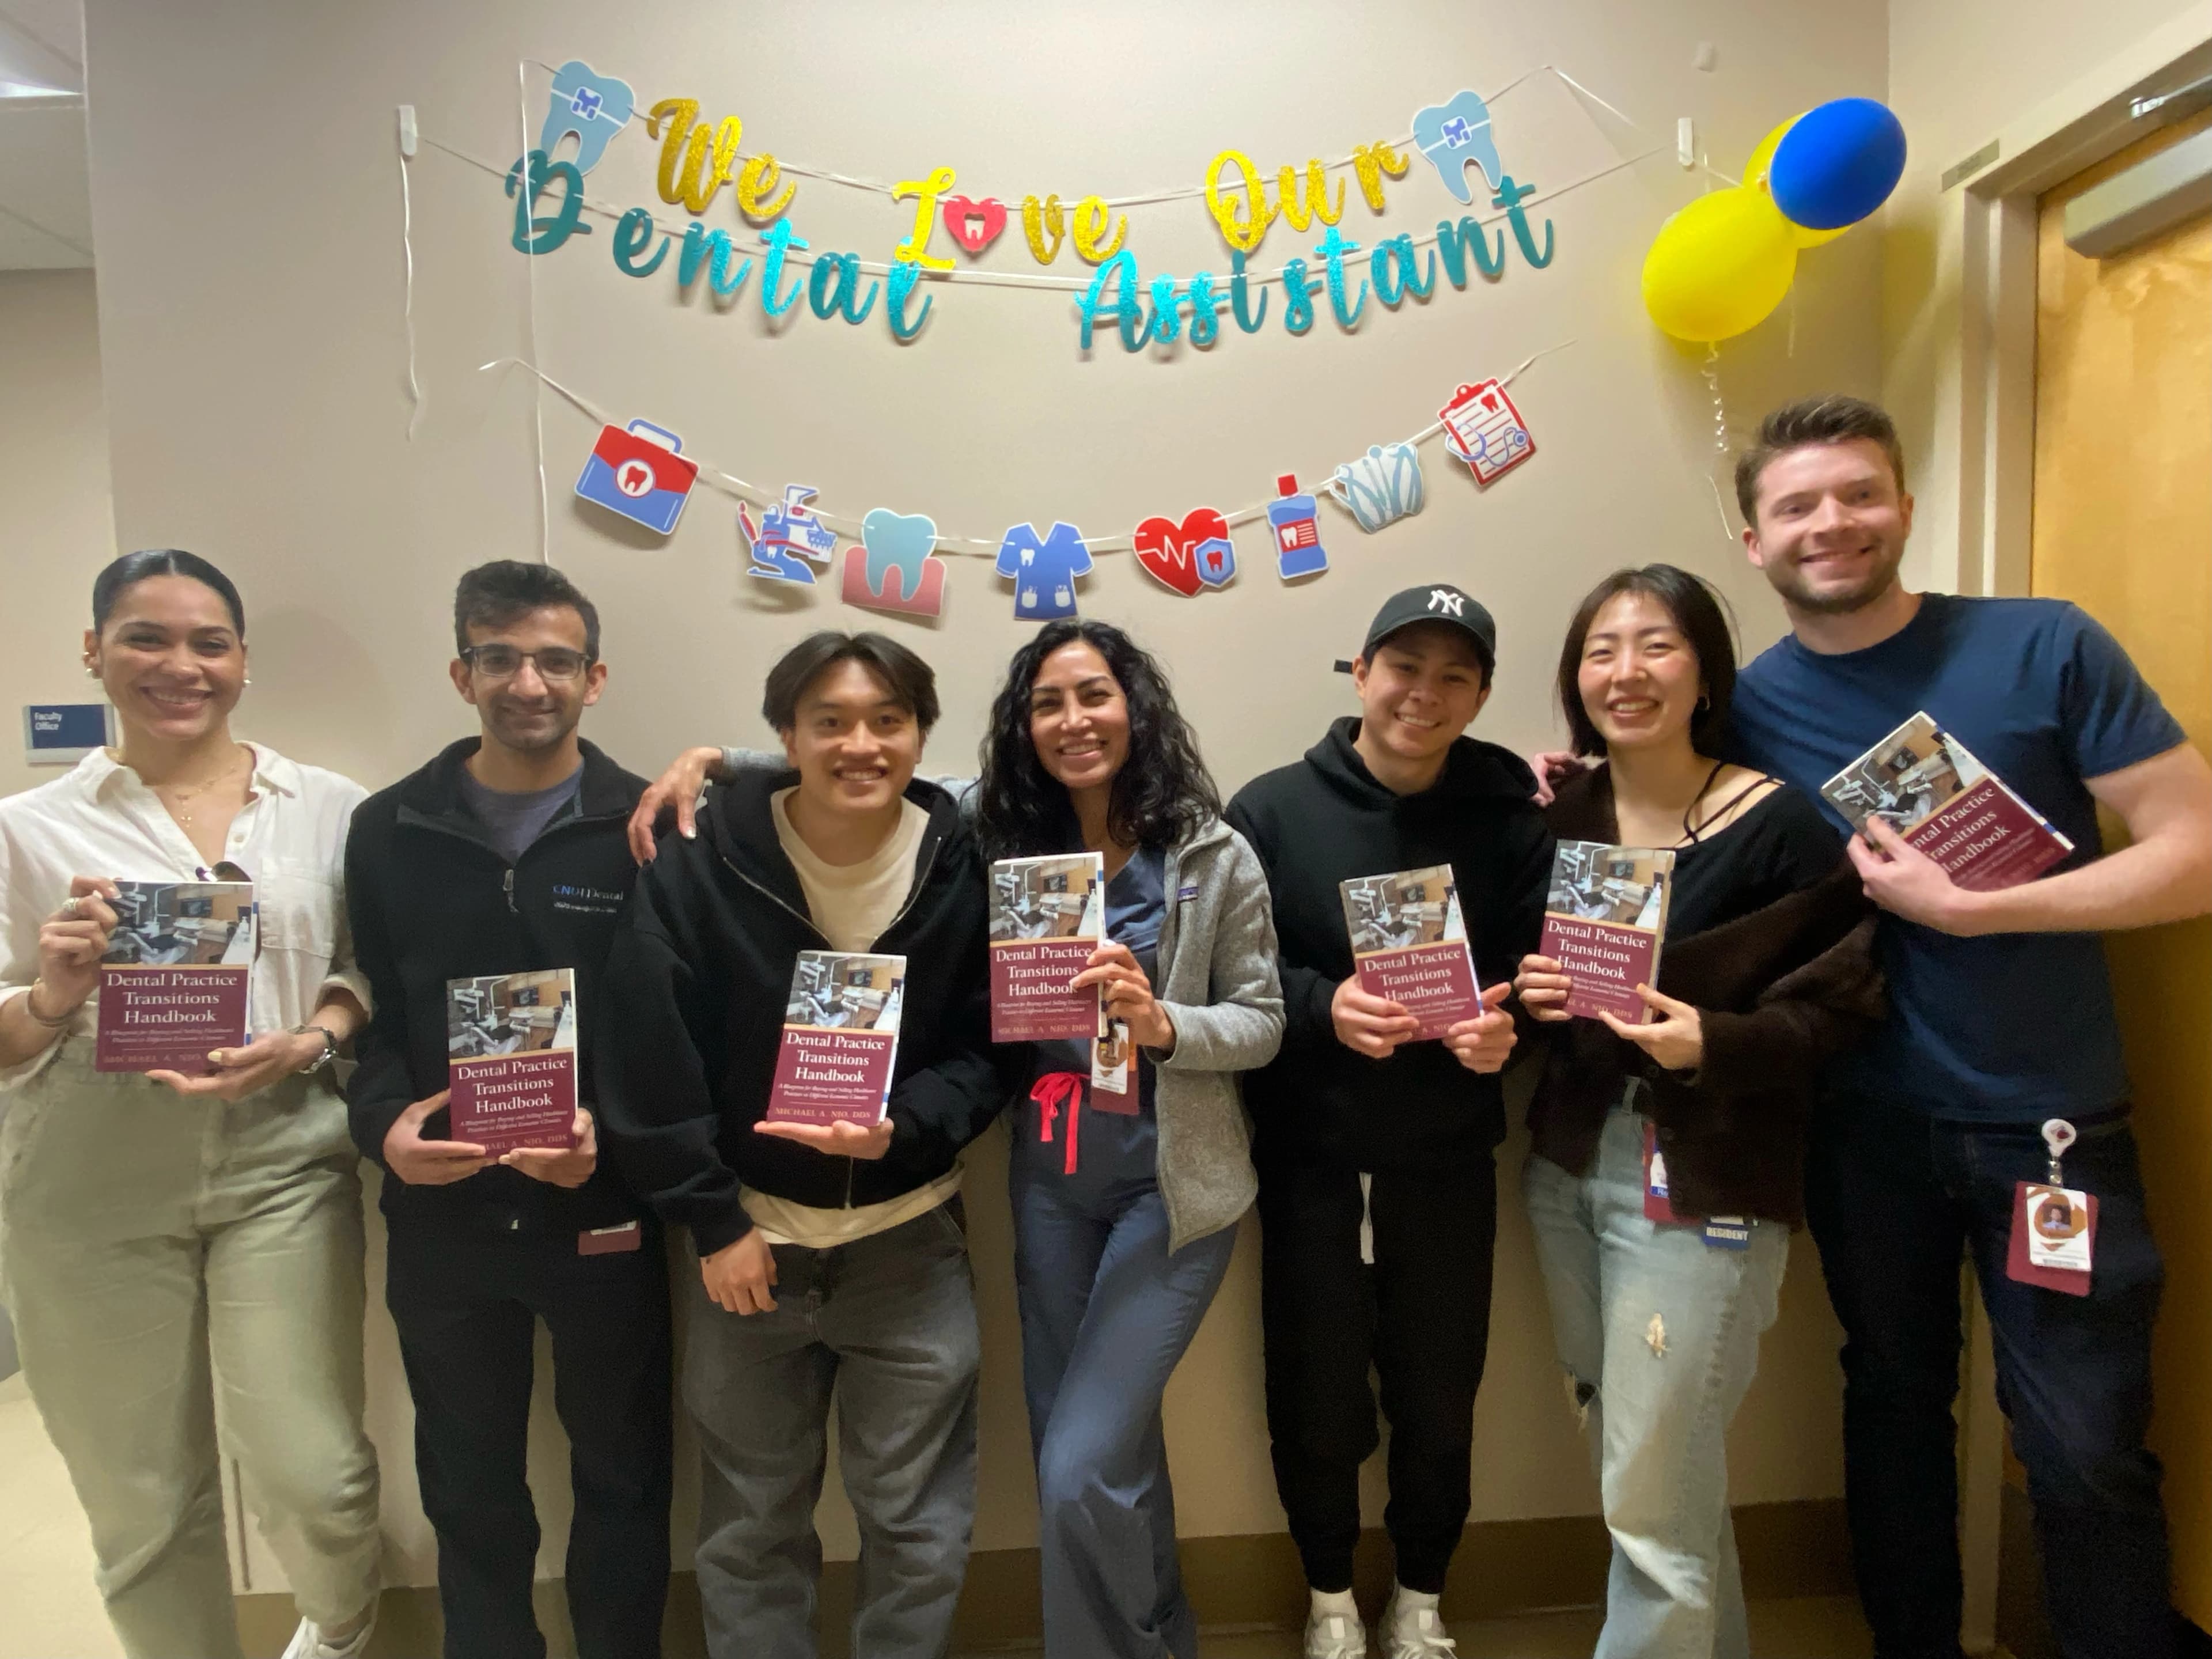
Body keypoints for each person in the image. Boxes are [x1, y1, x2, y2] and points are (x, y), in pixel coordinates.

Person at [629, 618, 1285, 1659]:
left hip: (1171, 1186)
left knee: (1076, 1464)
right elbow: (862, 764)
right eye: (1048, 703)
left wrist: (1164, 1024)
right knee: (1110, 1456)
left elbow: (1264, 1020)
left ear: (1138, 707)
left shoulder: (1211, 850)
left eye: (1096, 695)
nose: (1074, 721)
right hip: (1052, 1184)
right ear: (1022, 728)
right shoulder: (994, 834)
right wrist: (711, 763)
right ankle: (1160, 1639)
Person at [1675, 394, 2203, 1659]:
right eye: (1796, 505)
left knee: (2084, 1448)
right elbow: (1662, 803)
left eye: (1858, 494)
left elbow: (2194, 854)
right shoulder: (1746, 710)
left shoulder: (2046, 648)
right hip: (1865, 1127)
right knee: (1895, 1415)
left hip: (2052, 1129)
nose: (1831, 524)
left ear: (1905, 508)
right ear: (1753, 542)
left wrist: (1980, 910)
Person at [0, 550, 381, 1659]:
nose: (181, 666)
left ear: (244, 661)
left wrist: (313, 1035)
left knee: (314, 1475)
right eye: (145, 638)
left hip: (282, 1163)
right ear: (94, 652)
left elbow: (370, 970)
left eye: (208, 642)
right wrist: (54, 992)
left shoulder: (328, 810)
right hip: (87, 1182)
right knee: (141, 1498)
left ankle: (344, 1626)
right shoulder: (27, 828)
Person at [599, 632, 1008, 1659]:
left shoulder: (969, 864)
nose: (860, 744)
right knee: (749, 1528)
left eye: (888, 721)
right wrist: (710, 1218)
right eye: (829, 722)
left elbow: (990, 1046)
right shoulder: (699, 861)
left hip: (911, 1245)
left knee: (917, 1525)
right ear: (784, 737)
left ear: (921, 736)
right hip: (748, 1252)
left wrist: (903, 1127)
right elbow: (648, 1051)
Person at [1511, 564, 1883, 1658]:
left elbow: (1845, 1010)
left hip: (1710, 1174)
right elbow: (1533, 991)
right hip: (1569, 1166)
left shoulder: (1780, 829)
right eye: (1601, 650)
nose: (1626, 672)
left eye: (1656, 645)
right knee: (1652, 1472)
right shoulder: (1560, 815)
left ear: (1707, 671)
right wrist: (1533, 1001)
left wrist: (1711, 1042)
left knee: (1648, 1498)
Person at [343, 562, 672, 1659]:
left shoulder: (651, 824)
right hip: (444, 1220)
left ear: (596, 677)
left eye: (555, 660)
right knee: (470, 1488)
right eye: (499, 657)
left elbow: (684, 1025)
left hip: (606, 1210)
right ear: (461, 671)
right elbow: (375, 1013)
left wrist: (609, 1144)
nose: (528, 682)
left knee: (624, 1476)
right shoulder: (390, 827)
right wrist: (383, 1128)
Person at [1224, 585, 1543, 1659]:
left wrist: (1509, 1036)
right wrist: (1324, 1007)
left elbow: (1535, 978)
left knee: (1440, 1390)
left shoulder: (1508, 815)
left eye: (1457, 674)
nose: (1426, 692)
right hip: (1311, 1154)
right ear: (1359, 674)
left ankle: (1421, 1599)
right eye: (1405, 665)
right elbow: (1234, 977)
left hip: (1447, 1159)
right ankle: (1326, 1602)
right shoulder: (1266, 811)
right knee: (1313, 1392)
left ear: (1483, 695)